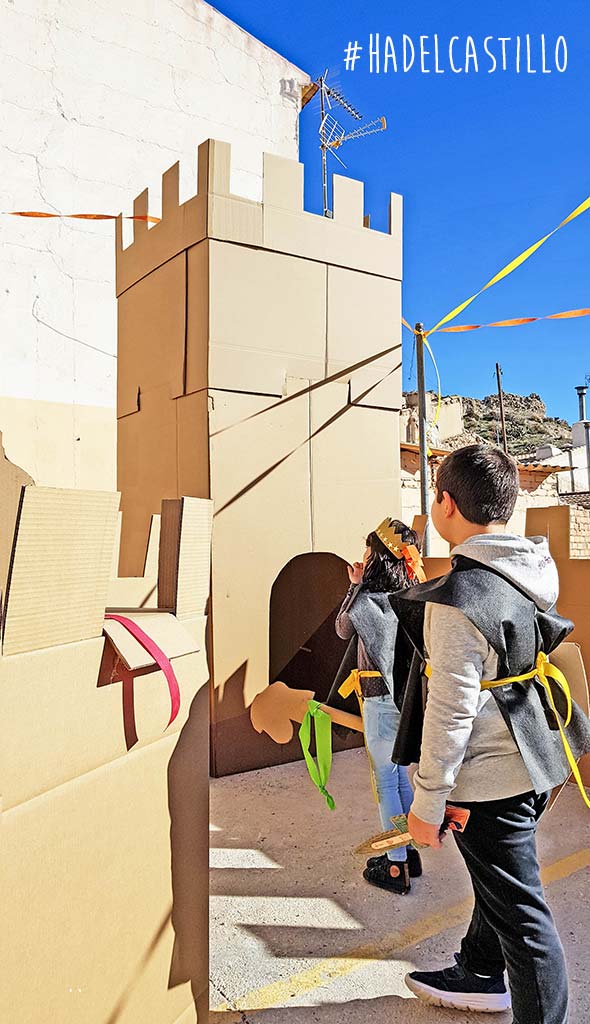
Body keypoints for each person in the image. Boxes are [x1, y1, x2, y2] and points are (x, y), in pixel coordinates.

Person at [389, 445, 590, 1022]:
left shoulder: (460, 598)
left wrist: (427, 802)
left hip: (489, 780)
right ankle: (479, 971)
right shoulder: (530, 572)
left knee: (524, 922)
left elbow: (451, 708)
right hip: (538, 759)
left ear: (446, 504)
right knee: (501, 882)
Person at [333, 518, 423, 895]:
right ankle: (410, 851)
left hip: (379, 701)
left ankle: (395, 865)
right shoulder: (413, 594)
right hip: (408, 700)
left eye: (368, 551)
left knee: (386, 781)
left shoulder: (367, 599)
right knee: (401, 777)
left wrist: (354, 586)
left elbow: (342, 628)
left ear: (378, 558)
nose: (363, 556)